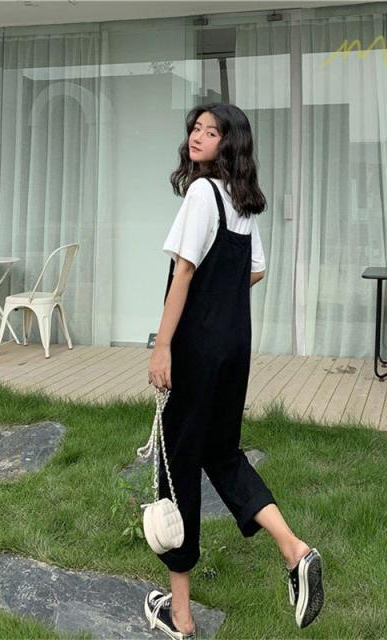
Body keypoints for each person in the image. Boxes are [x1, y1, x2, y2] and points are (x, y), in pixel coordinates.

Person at [144, 103, 324, 640]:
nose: (197, 136)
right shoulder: (240, 200)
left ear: (230, 143)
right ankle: (295, 550)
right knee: (221, 453)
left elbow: (183, 273)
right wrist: (220, 297)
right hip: (234, 346)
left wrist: (163, 345)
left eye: (211, 131)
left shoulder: (202, 193)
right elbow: (257, 270)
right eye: (195, 129)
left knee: (176, 467)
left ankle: (181, 617)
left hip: (195, 348)